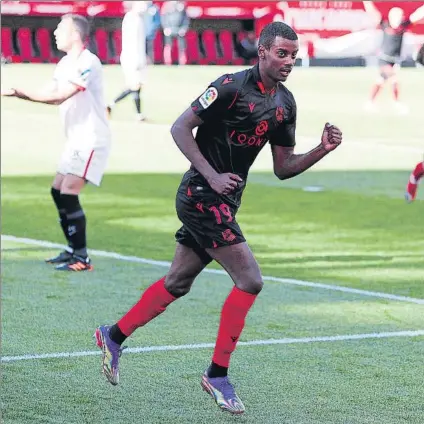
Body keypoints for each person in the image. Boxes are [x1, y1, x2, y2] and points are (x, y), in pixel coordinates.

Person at [94, 22, 343, 414]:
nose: (288, 62)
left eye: (293, 55)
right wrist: (210, 174)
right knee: (250, 279)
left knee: (178, 282)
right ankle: (217, 375)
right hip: (199, 195)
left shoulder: (285, 104)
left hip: (225, 202)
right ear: (261, 51)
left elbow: (283, 167)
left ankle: (113, 335)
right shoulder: (229, 86)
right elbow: (180, 127)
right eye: (281, 53)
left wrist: (322, 150)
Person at [1, 14, 111, 272]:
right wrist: (13, 90)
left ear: (75, 34)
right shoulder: (64, 63)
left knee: (69, 191)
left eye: (61, 28)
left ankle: (82, 258)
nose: (55, 33)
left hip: (91, 138)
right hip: (76, 139)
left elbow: (59, 97)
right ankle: (73, 250)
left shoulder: (88, 62)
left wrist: (20, 94)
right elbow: (48, 90)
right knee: (57, 190)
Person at [363, 2, 424, 113]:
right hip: (384, 59)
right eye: (396, 16)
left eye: (400, 16)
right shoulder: (385, 25)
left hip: (394, 61)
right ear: (391, 17)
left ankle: (370, 102)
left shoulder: (403, 27)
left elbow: (417, 15)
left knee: (380, 81)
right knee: (394, 79)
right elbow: (373, 13)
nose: (399, 18)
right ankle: (396, 102)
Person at [107, 1, 147, 121]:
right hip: (132, 58)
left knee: (136, 86)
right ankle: (111, 104)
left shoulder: (136, 19)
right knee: (134, 86)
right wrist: (137, 60)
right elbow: (133, 42)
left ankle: (138, 114)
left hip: (136, 57)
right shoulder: (132, 19)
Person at [160, 1, 190, 66]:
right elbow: (163, 17)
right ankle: (167, 63)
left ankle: (182, 63)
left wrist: (183, 28)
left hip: (179, 30)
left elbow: (186, 19)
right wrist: (166, 28)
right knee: (168, 46)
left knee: (182, 47)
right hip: (169, 30)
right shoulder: (167, 5)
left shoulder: (182, 5)